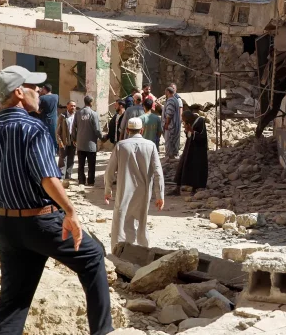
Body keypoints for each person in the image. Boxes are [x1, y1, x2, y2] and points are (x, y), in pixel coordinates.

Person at [0, 65, 113, 334]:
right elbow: (48, 179)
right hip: (42, 222)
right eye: (33, 86)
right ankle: (103, 331)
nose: (39, 91)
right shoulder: (33, 128)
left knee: (13, 301)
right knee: (93, 257)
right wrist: (70, 211)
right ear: (19, 92)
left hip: (7, 227)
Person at [104, 117, 164, 251]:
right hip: (143, 192)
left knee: (121, 221)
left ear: (127, 130)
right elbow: (158, 172)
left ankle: (118, 252)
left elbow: (109, 171)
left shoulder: (121, 146)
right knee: (141, 222)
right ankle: (142, 252)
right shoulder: (151, 146)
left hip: (124, 190)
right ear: (142, 130)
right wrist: (160, 195)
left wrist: (108, 190)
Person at [171, 110, 208, 196]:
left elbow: (202, 136)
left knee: (195, 168)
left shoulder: (200, 121)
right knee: (182, 166)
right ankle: (177, 188)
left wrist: (191, 131)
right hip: (189, 147)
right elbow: (188, 134)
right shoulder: (189, 121)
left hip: (197, 150)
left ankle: (194, 188)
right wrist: (187, 130)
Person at [72, 96, 102, 186]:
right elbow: (97, 129)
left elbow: (74, 127)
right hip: (91, 144)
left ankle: (81, 180)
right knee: (91, 164)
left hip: (80, 143)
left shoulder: (78, 113)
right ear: (91, 102)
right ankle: (91, 181)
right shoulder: (94, 114)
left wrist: (74, 138)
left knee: (81, 164)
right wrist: (101, 138)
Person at [56, 100, 77, 179]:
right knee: (63, 158)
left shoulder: (76, 116)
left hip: (73, 140)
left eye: (74, 106)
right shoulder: (62, 116)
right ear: (67, 106)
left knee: (71, 158)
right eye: (71, 106)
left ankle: (68, 175)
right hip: (64, 140)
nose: (73, 107)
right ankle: (61, 175)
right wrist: (59, 141)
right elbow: (57, 130)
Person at [38, 84, 59, 152]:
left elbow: (38, 110)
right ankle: (55, 150)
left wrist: (40, 94)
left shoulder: (42, 98)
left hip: (45, 119)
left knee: (44, 135)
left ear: (44, 89)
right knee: (53, 135)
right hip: (54, 119)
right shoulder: (56, 96)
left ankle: (46, 150)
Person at [162, 86, 182, 159]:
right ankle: (174, 156)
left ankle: (170, 157)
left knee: (169, 142)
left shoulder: (170, 100)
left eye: (165, 92)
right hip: (175, 125)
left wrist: (167, 124)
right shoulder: (175, 100)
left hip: (171, 126)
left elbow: (169, 114)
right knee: (174, 142)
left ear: (167, 92)